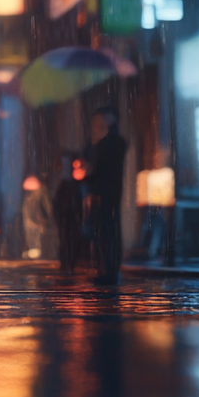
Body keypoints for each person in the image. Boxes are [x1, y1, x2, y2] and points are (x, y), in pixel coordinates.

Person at [85, 107, 127, 284]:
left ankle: (110, 270)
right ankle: (106, 268)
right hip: (104, 191)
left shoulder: (116, 142)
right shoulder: (105, 143)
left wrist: (89, 179)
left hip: (108, 192)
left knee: (109, 231)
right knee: (104, 230)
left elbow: (103, 168)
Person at [53, 153, 84, 275]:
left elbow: (76, 205)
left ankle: (68, 264)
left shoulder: (71, 186)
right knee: (66, 240)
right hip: (66, 219)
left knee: (69, 240)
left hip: (70, 219)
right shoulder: (66, 186)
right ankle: (67, 264)